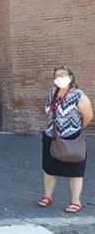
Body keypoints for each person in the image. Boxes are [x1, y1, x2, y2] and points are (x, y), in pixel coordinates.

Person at [38, 66, 92, 213]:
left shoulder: (78, 95)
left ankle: (76, 202)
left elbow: (88, 116)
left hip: (71, 139)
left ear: (71, 76)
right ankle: (47, 196)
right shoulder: (51, 93)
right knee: (49, 169)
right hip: (51, 136)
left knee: (75, 170)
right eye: (57, 75)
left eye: (63, 74)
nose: (60, 77)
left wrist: (75, 129)